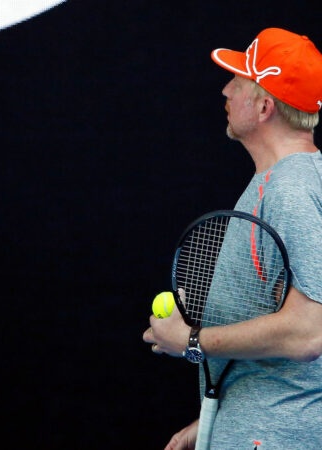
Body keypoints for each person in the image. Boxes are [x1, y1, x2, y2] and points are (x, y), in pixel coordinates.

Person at [143, 28, 322, 449]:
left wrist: (189, 341)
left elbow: (310, 333)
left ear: (264, 107)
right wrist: (220, 419)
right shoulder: (281, 182)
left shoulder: (291, 190)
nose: (225, 89)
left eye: (237, 82)